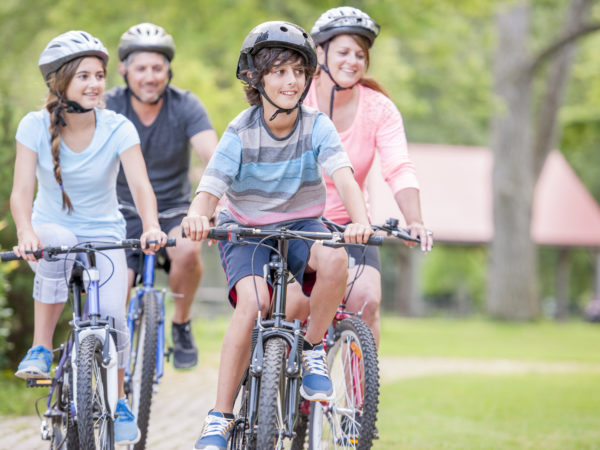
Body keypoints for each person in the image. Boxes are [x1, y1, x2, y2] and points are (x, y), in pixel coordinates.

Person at [181, 21, 373, 450]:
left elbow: (343, 177)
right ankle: (220, 416)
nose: (292, 81)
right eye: (280, 71)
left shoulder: (316, 125)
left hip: (302, 224)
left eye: (299, 72)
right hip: (247, 229)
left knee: (338, 257)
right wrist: (198, 216)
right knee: (254, 303)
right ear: (256, 77)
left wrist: (358, 220)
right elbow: (210, 189)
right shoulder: (240, 131)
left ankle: (311, 347)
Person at [11, 30, 167, 445]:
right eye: (83, 76)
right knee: (59, 239)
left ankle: (117, 401)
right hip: (49, 235)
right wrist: (26, 232)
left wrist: (150, 224)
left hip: (107, 237)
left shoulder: (118, 127)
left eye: (99, 75)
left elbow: (140, 187)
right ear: (60, 82)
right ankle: (41, 349)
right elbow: (21, 194)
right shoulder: (33, 126)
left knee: (114, 317)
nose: (95, 84)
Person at [287, 7, 434, 346]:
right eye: (343, 52)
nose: (352, 61)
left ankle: (360, 399)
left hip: (350, 225)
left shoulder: (378, 108)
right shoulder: (295, 95)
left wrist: (415, 220)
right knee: (291, 305)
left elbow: (398, 167)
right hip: (291, 221)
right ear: (319, 52)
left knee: (366, 302)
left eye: (360, 54)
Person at [104, 23, 218, 369]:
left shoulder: (185, 105)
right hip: (120, 210)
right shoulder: (107, 105)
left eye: (158, 68)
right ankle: (115, 378)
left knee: (187, 248)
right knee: (117, 288)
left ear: (168, 70)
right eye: (141, 68)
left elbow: (214, 159)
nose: (150, 77)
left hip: (174, 209)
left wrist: (215, 204)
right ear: (124, 70)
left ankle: (181, 323)